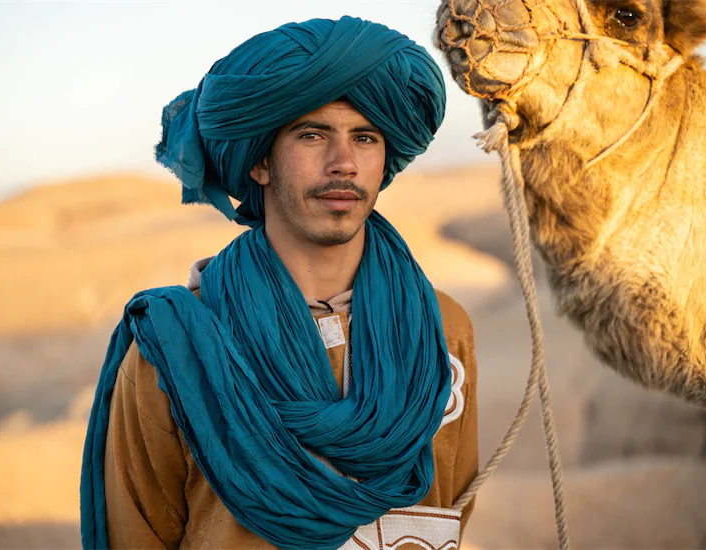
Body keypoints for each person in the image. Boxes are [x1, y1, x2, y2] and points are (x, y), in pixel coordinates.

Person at [81, 16, 479, 550]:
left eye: (364, 137)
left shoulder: (441, 330)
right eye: (312, 135)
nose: (343, 164)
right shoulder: (177, 352)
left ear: (384, 160)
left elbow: (449, 507)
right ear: (261, 162)